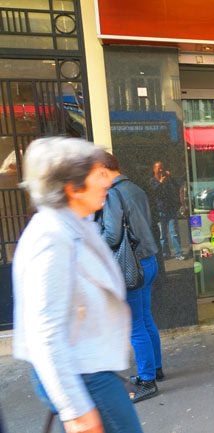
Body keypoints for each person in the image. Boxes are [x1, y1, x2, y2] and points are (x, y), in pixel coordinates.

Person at [12, 137, 143, 433]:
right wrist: (75, 410)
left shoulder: (78, 222)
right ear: (72, 187)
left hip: (91, 369)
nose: (107, 181)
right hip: (81, 376)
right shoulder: (51, 237)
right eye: (98, 174)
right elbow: (45, 331)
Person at [96, 151, 164, 403]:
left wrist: (93, 246)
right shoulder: (135, 187)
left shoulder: (113, 193)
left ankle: (147, 380)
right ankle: (155, 368)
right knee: (146, 318)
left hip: (131, 265)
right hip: (148, 260)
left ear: (103, 170)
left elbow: (112, 235)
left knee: (135, 324)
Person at [150, 160, 185, 260]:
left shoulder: (168, 179)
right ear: (154, 170)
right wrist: (160, 182)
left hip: (170, 209)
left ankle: (178, 254)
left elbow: (177, 186)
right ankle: (165, 254)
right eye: (158, 168)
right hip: (160, 210)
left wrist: (170, 177)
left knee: (174, 232)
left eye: (162, 167)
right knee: (162, 235)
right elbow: (154, 192)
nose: (161, 170)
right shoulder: (152, 181)